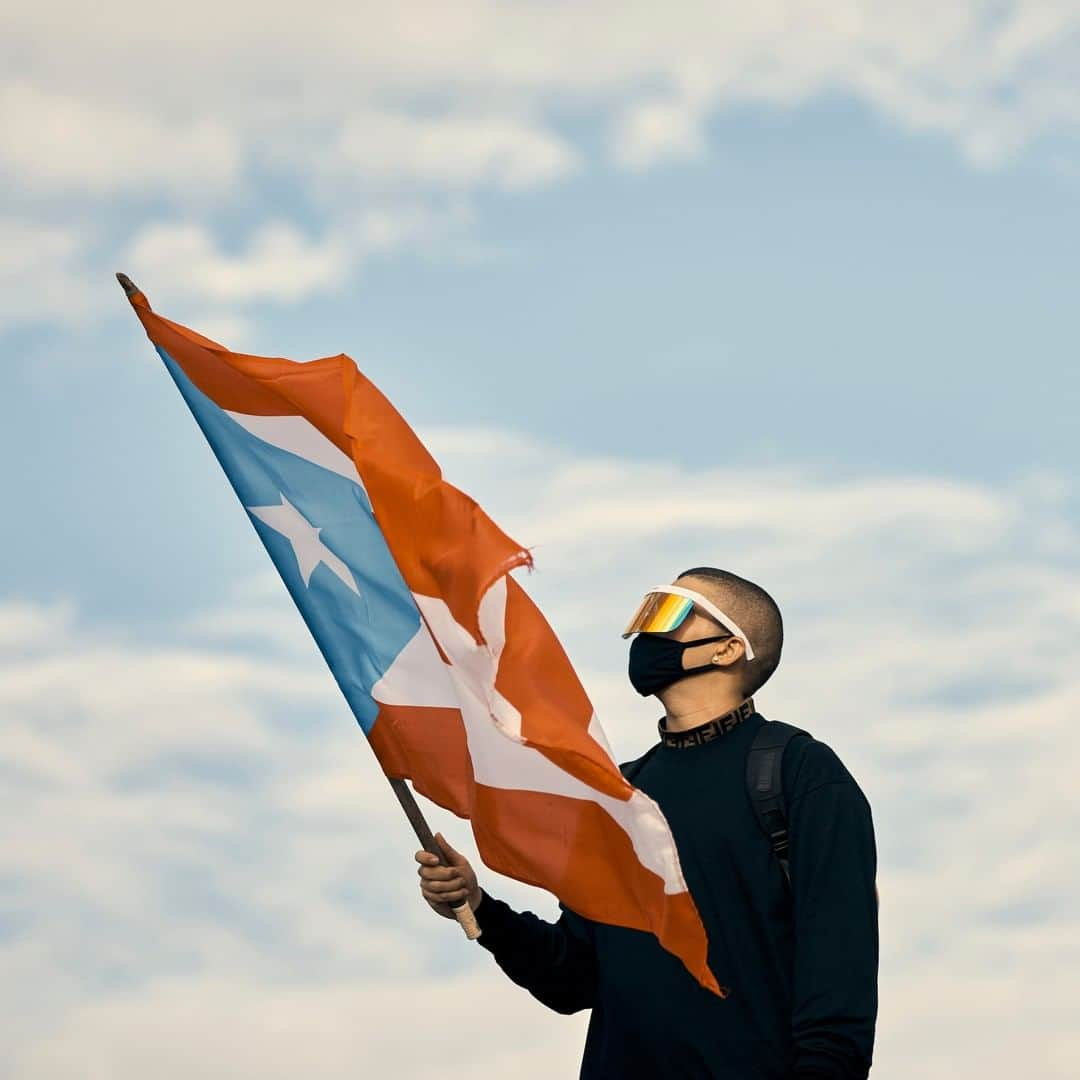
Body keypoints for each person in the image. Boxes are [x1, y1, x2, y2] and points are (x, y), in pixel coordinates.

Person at [415, 567, 878, 1079]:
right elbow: (573, 977)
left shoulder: (801, 774)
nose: (646, 633)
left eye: (670, 611)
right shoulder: (619, 794)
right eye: (647, 612)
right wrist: (478, 907)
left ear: (727, 649)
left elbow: (839, 975)